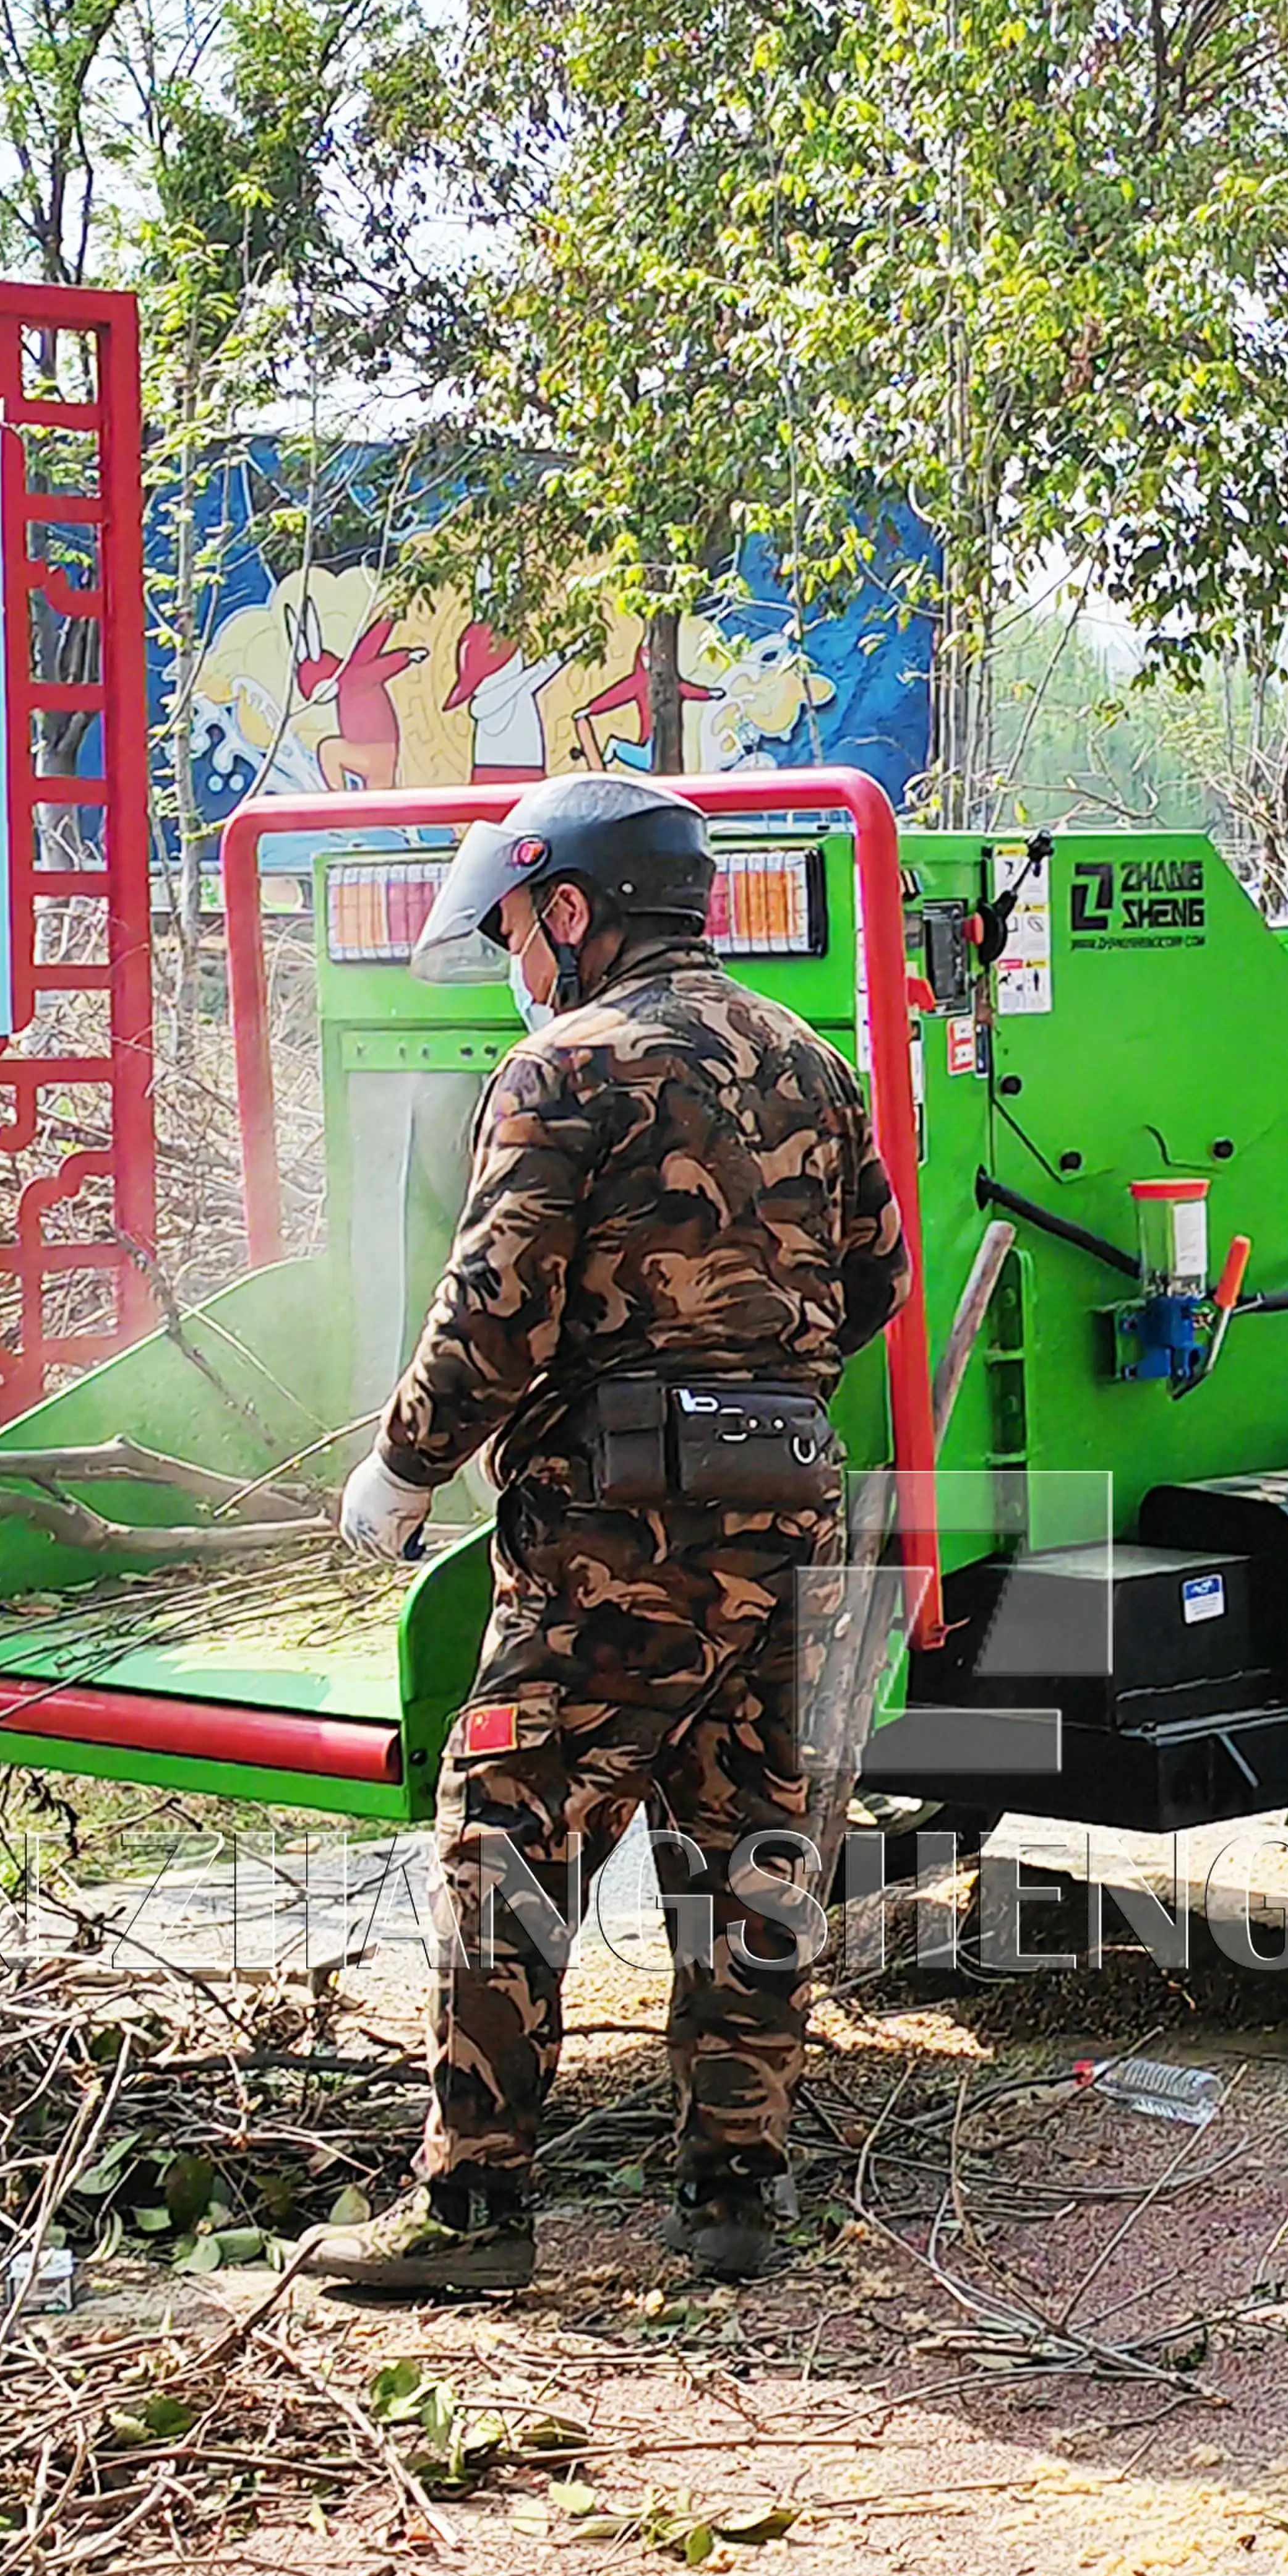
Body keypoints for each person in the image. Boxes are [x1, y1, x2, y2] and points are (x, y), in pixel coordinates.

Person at [311, 772, 911, 2298]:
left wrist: (401, 1470)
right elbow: (878, 1281)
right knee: (749, 1837)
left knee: (504, 1830)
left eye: (519, 927)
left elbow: (494, 1310)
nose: (518, 958)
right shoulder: (812, 1061)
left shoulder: (560, 1068)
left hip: (611, 1535)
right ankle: (732, 2196)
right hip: (789, 1514)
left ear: (572, 913)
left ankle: (472, 2214)